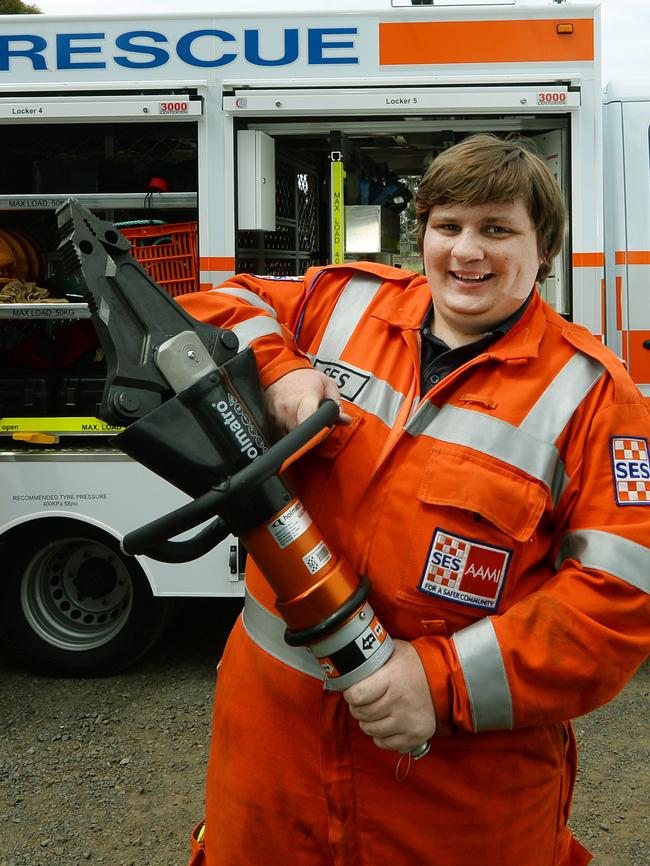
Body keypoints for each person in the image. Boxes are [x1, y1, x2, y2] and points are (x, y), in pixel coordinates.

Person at [178, 134, 650, 866]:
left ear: (544, 249)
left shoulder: (593, 396)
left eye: (498, 229)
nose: (467, 252)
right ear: (421, 231)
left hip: (453, 790)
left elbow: (619, 599)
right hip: (272, 760)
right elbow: (218, 302)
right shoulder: (342, 303)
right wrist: (278, 372)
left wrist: (441, 684)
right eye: (448, 226)